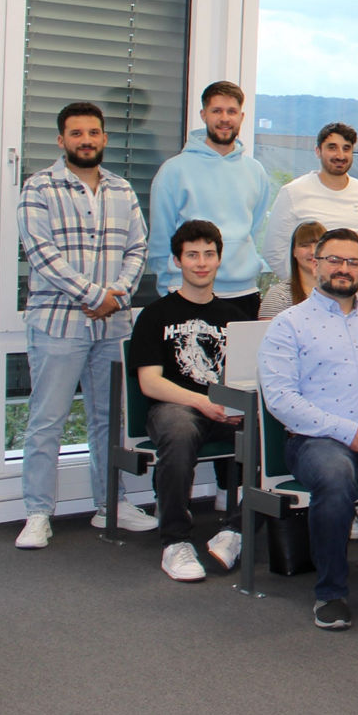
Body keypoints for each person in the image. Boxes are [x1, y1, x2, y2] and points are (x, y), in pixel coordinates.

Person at [257, 229, 358, 630]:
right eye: (335, 260)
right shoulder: (287, 325)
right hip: (316, 442)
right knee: (335, 476)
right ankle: (331, 592)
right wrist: (350, 432)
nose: (344, 269)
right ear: (315, 263)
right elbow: (280, 399)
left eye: (353, 262)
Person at [15, 101, 155, 549]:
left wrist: (117, 294)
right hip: (58, 324)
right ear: (61, 140)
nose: (86, 141)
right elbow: (41, 254)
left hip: (113, 327)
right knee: (46, 422)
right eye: (76, 134)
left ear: (104, 138)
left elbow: (138, 248)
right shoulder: (39, 188)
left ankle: (108, 505)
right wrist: (97, 296)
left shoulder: (122, 190)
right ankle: (38, 513)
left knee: (108, 422)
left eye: (94, 133)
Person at [129, 220, 246, 579]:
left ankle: (235, 531)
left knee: (270, 432)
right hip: (175, 407)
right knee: (178, 433)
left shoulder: (236, 318)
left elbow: (246, 378)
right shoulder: (155, 315)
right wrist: (201, 402)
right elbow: (150, 383)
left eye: (209, 254)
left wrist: (237, 407)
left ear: (218, 260)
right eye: (192, 255)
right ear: (177, 261)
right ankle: (175, 542)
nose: (201, 262)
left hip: (224, 409)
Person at [146, 81, 275, 317]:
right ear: (203, 115)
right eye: (217, 111)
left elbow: (253, 229)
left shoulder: (255, 171)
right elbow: (160, 241)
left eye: (231, 111)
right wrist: (168, 291)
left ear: (242, 116)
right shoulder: (174, 171)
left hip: (242, 293)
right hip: (187, 292)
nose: (224, 118)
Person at [265, 123, 358, 289]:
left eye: (346, 148)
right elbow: (273, 252)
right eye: (332, 148)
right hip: (309, 298)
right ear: (318, 151)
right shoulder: (293, 192)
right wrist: (305, 286)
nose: (340, 155)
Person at [260, 220, 326, 321]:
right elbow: (267, 335)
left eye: (318, 245)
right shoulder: (279, 295)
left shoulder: (339, 291)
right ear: (294, 251)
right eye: (305, 245)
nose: (313, 251)